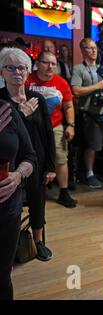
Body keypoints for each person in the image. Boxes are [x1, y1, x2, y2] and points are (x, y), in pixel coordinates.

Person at [0, 48, 55, 261]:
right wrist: (21, 116)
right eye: (10, 67)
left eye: (21, 67)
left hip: (37, 161)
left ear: (27, 71)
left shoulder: (37, 99)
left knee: (37, 201)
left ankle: (38, 242)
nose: (16, 72)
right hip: (9, 164)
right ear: (2, 72)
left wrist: (50, 166)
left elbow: (48, 135)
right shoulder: (1, 101)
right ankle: (10, 243)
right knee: (10, 207)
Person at [25, 51, 77, 208]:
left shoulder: (61, 83)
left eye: (53, 64)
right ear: (38, 63)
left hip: (55, 126)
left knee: (61, 158)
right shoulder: (28, 80)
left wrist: (71, 125)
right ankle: (29, 191)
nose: (50, 66)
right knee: (30, 157)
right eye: (46, 63)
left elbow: (68, 106)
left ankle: (63, 191)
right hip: (31, 127)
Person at [0, 100, 36, 300]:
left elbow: (30, 156)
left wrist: (18, 176)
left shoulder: (6, 110)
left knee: (3, 276)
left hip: (7, 211)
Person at [71, 38, 103, 189]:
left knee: (102, 144)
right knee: (91, 145)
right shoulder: (79, 68)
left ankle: (99, 171)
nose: (93, 51)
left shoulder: (102, 67)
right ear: (83, 50)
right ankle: (89, 173)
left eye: (95, 48)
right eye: (89, 48)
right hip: (89, 113)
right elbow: (76, 90)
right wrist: (96, 86)